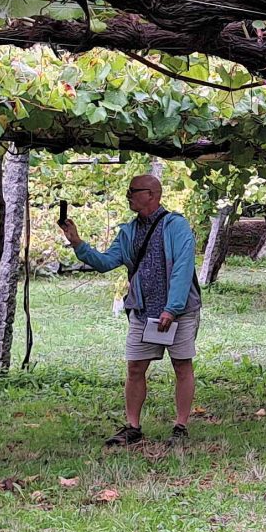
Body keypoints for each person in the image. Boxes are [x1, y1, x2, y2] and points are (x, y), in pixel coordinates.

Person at [59, 173, 200, 445]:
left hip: (178, 311)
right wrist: (76, 241)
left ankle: (180, 426)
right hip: (142, 309)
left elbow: (183, 269)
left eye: (133, 191)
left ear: (152, 194)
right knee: (135, 368)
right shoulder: (129, 231)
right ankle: (132, 427)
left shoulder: (176, 226)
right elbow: (104, 262)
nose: (128, 196)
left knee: (182, 366)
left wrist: (172, 309)